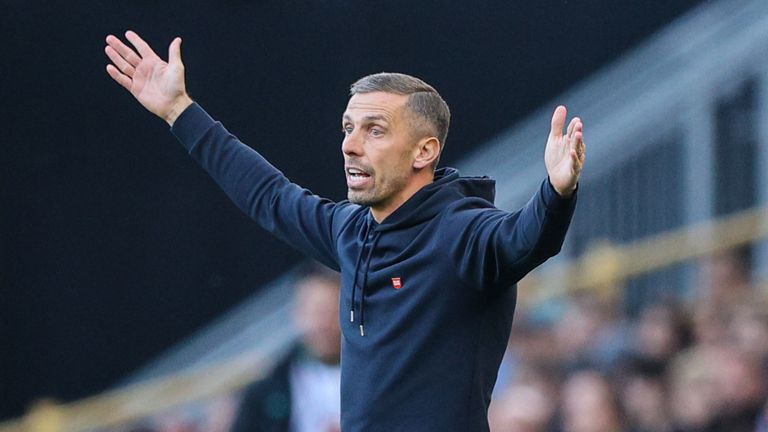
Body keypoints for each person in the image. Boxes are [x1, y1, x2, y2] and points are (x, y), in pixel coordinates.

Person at [104, 30, 585, 431]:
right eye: (347, 128)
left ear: (424, 152)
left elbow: (526, 238)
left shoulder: (463, 234)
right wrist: (179, 111)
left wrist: (556, 193)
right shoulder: (350, 229)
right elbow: (268, 195)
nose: (350, 145)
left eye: (374, 130)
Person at [230, 266, 342, 432]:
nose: (322, 324)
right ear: (297, 313)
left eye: (331, 312)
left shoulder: (377, 373)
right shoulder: (266, 390)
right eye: (315, 312)